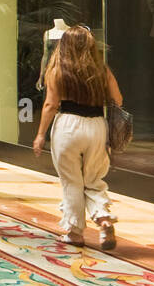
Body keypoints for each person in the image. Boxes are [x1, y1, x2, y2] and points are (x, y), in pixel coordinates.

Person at [33, 24, 122, 250]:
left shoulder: (57, 69)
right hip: (96, 126)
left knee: (72, 181)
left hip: (68, 126)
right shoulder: (101, 69)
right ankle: (103, 218)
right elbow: (118, 100)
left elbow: (51, 104)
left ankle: (74, 233)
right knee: (93, 179)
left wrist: (41, 134)